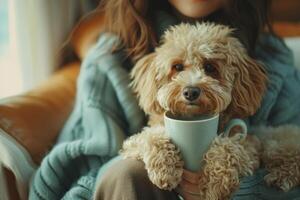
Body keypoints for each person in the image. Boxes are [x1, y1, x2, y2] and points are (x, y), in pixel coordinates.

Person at [30, 0, 300, 200]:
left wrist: (239, 188)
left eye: (211, 69)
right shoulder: (108, 60)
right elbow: (86, 182)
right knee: (128, 172)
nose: (191, 85)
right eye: (178, 68)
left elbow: (291, 163)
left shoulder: (274, 61)